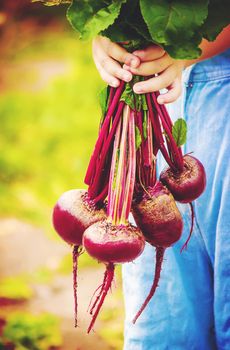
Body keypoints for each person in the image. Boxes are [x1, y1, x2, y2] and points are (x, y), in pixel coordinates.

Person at [92, 26, 230, 350]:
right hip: (156, 102)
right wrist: (106, 39)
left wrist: (187, 48)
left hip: (222, 100)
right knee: (164, 325)